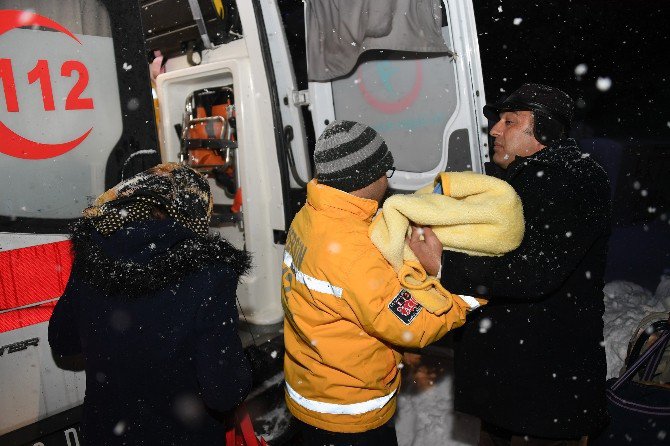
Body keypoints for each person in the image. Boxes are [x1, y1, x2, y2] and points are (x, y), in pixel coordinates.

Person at [413, 83, 611, 445]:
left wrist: (443, 264)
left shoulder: (567, 179)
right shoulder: (525, 176)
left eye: (510, 121)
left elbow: (533, 271)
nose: (495, 130)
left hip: (543, 385)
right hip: (516, 380)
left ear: (545, 131)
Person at [281, 120, 473, 446]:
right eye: (387, 172)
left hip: (311, 384)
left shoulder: (310, 216)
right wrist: (467, 294)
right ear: (365, 179)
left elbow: (353, 291)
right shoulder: (354, 252)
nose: (387, 181)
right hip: (351, 411)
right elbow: (415, 326)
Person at [48, 163, 252, 445]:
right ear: (193, 215)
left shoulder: (93, 256)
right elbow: (224, 392)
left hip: (106, 436)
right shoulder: (208, 275)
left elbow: (63, 340)